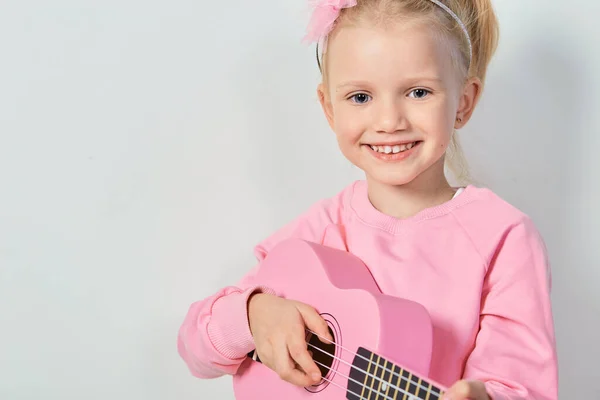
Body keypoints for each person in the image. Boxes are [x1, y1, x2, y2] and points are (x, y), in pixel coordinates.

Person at [177, 0, 558, 399]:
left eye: (418, 91)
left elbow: (522, 388)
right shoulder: (322, 229)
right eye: (360, 97)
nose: (389, 121)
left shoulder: (502, 236)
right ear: (329, 109)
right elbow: (194, 347)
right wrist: (253, 316)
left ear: (463, 100)